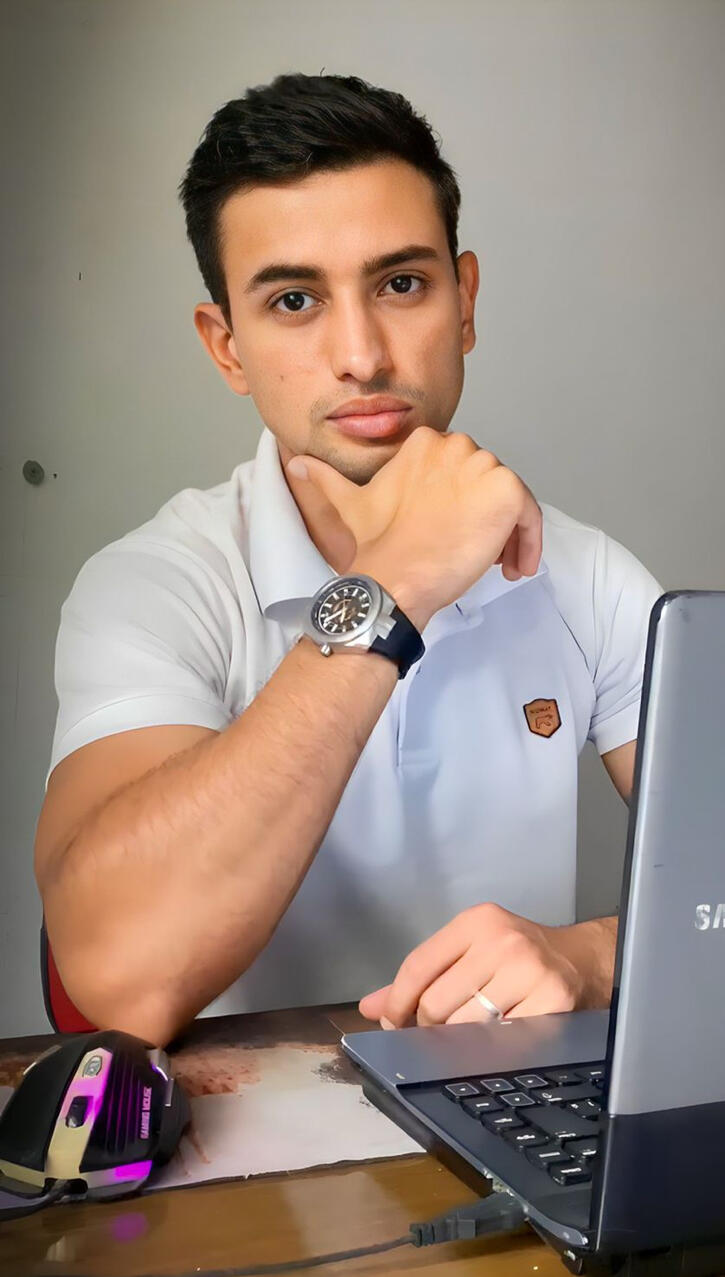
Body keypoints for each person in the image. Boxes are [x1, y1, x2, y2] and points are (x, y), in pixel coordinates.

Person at [34, 73, 662, 1048]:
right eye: (294, 300)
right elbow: (117, 974)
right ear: (227, 347)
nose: (362, 355)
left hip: (511, 1104)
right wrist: (395, 581)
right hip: (248, 1128)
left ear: (465, 303)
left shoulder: (589, 577)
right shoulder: (155, 585)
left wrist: (596, 956)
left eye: (401, 284)